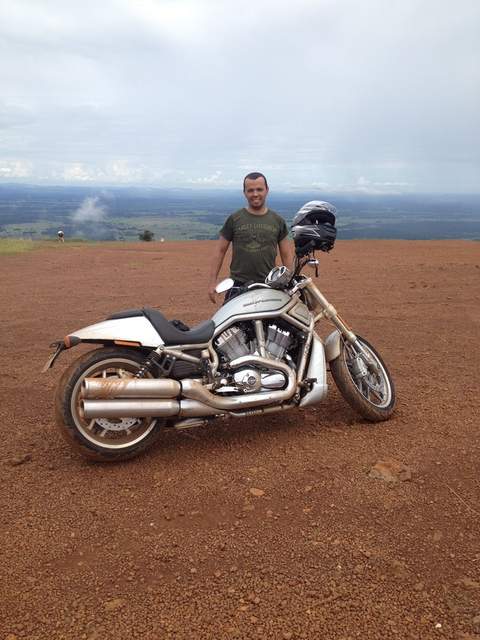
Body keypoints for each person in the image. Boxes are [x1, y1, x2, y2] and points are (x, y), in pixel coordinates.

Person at [208, 172, 294, 303]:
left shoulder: (278, 221)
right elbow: (220, 250)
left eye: (259, 189)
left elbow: (286, 254)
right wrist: (212, 282)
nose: (255, 194)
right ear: (244, 192)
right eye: (250, 190)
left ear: (267, 190)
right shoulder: (234, 219)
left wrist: (290, 282)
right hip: (237, 286)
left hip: (269, 285)